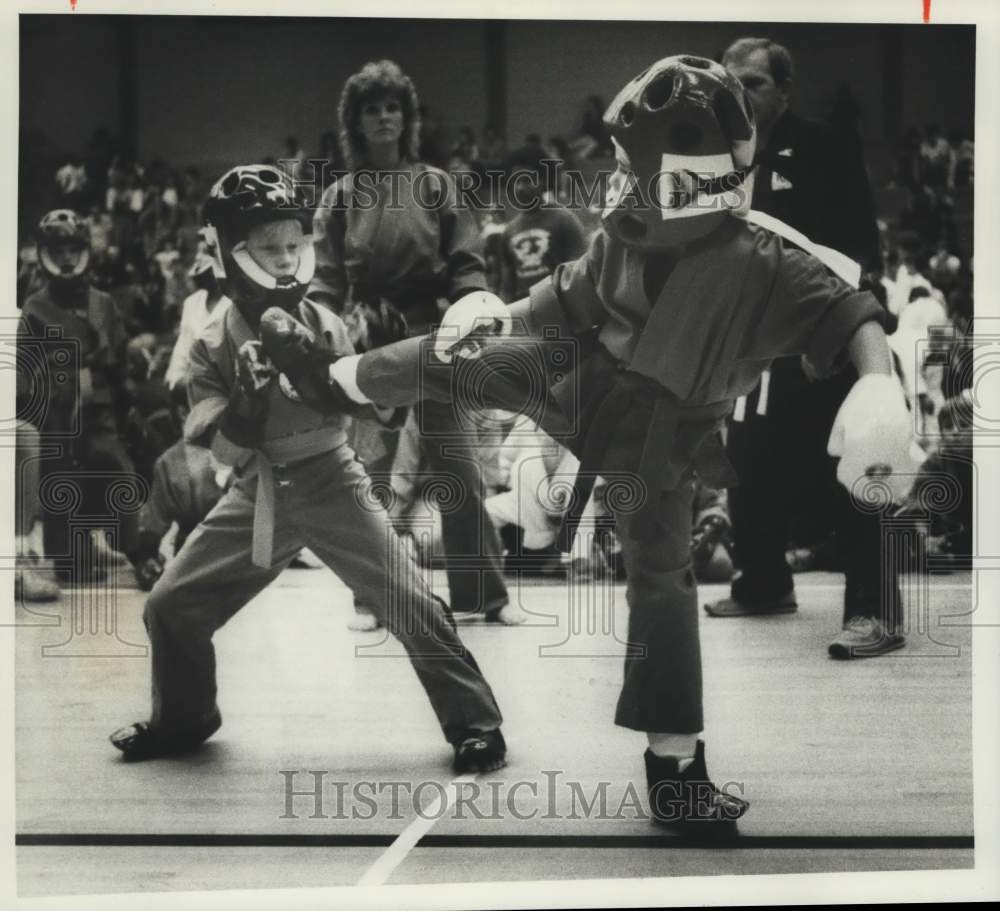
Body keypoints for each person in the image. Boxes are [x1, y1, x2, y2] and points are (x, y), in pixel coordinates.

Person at [328, 56, 914, 835]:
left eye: (633, 165)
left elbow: (854, 314)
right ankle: (340, 381)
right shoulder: (624, 239)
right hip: (583, 381)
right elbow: (555, 303)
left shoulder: (767, 263)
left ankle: (674, 769)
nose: (618, 180)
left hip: (663, 446)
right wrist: (491, 314)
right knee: (460, 354)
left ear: (682, 174)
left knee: (662, 586)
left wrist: (878, 386)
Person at [108, 165, 506, 773]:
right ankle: (184, 718)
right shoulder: (211, 343)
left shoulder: (324, 322)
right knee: (170, 604)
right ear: (229, 251)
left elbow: (365, 411)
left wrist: (386, 378)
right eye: (271, 247)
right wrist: (246, 399)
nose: (287, 258)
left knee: (409, 601)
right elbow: (222, 449)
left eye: (295, 244)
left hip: (332, 478)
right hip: (259, 489)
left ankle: (476, 724)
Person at [703, 37, 910, 660]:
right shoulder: (717, 159)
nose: (740, 93)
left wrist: (838, 333)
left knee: (857, 466)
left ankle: (875, 612)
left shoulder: (823, 145)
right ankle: (763, 583)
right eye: (730, 83)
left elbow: (858, 243)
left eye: (755, 83)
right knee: (748, 465)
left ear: (784, 91)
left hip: (830, 328)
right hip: (755, 344)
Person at [308, 59, 519, 625]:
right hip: (368, 337)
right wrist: (324, 340)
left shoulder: (436, 184)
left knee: (459, 465)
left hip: (436, 335)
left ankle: (486, 596)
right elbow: (326, 282)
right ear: (354, 122)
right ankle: (371, 597)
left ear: (407, 118)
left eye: (392, 107)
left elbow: (467, 265)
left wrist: (471, 308)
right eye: (371, 109)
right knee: (371, 471)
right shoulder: (339, 196)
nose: (383, 118)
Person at [19, 209, 138, 581]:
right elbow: (23, 374)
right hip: (58, 411)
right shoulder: (35, 307)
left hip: (101, 408)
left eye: (74, 248)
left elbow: (119, 360)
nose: (67, 258)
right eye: (58, 250)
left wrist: (125, 401)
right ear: (45, 254)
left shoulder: (103, 302)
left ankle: (114, 542)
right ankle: (70, 550)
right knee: (62, 475)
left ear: (85, 251)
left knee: (115, 469)